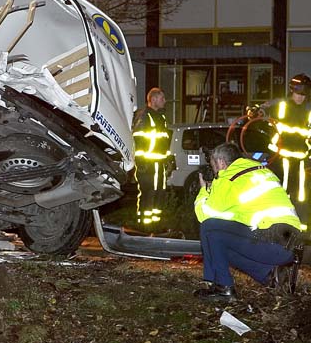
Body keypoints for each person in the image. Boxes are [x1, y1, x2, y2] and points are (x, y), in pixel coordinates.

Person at [193, 142, 301, 302]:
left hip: (271, 241)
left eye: (213, 166)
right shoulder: (259, 170)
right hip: (292, 243)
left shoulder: (230, 178)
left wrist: (204, 191)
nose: (214, 171)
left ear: (221, 162)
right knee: (220, 246)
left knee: (209, 229)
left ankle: (222, 287)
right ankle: (271, 275)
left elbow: (205, 215)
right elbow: (238, 215)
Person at [263, 73, 311, 231]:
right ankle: (279, 227)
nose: (300, 97)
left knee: (301, 196)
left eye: (304, 94)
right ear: (292, 90)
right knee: (281, 193)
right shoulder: (282, 106)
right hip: (281, 158)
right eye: (298, 93)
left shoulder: (308, 111)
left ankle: (300, 230)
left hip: (300, 161)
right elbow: (269, 108)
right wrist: (259, 109)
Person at [132, 87, 171, 229]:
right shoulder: (144, 116)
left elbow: (164, 141)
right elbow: (137, 139)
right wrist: (141, 161)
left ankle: (156, 223)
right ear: (153, 99)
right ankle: (144, 224)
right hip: (148, 163)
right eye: (162, 98)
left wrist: (168, 159)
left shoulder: (160, 117)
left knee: (159, 192)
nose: (164, 101)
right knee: (149, 192)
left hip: (159, 162)